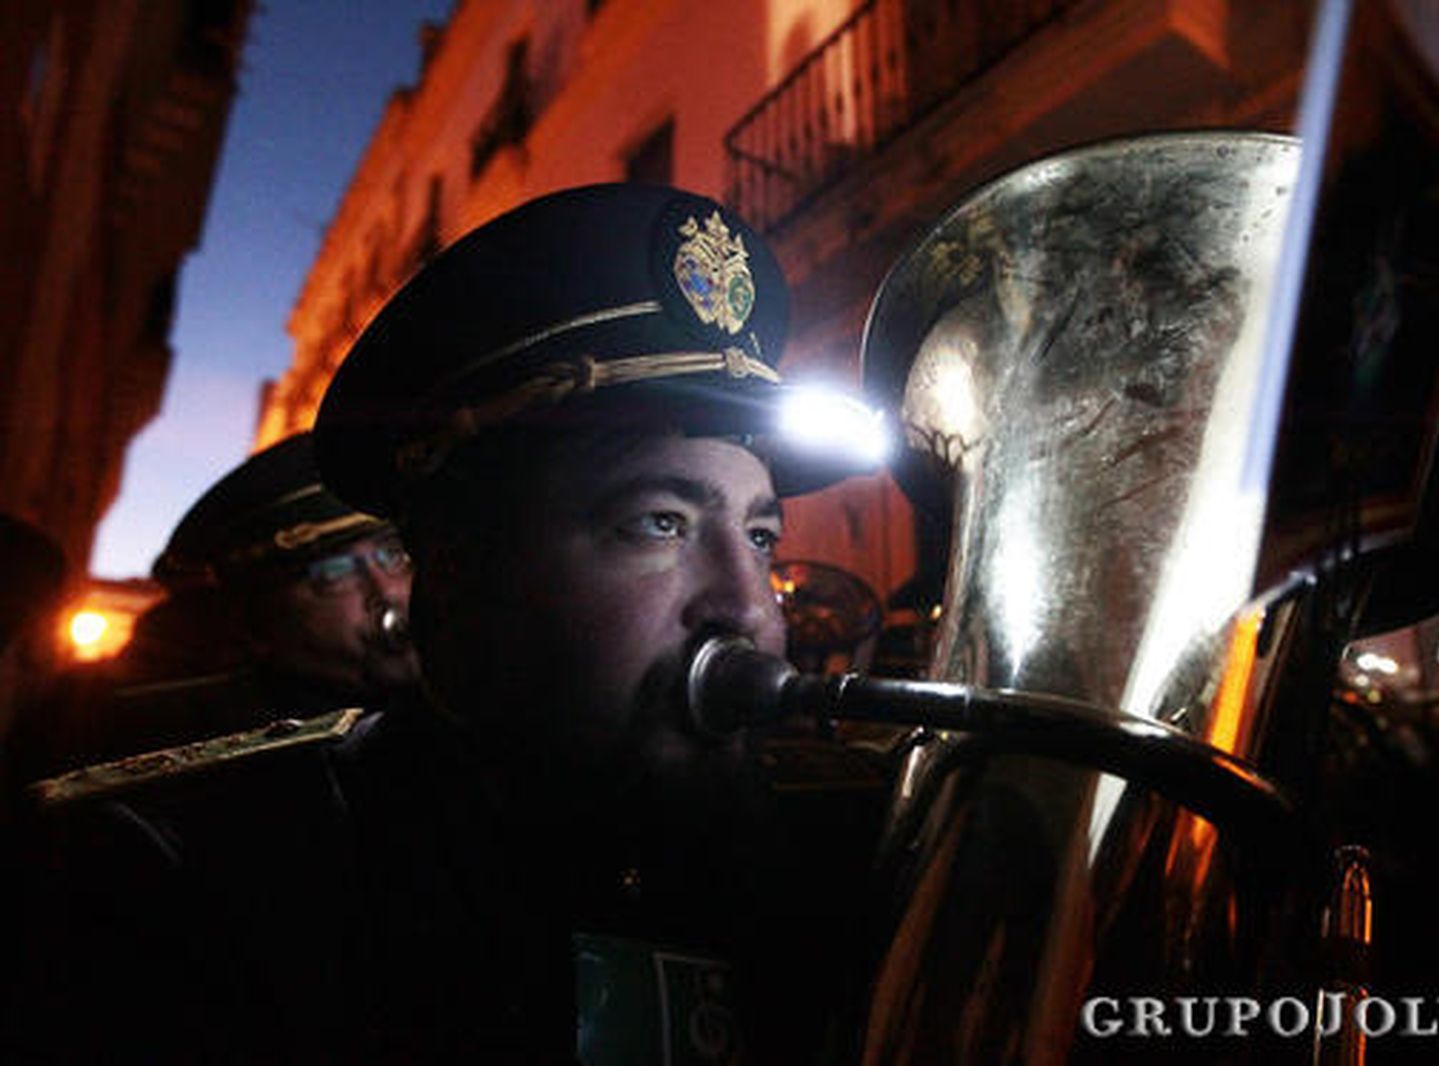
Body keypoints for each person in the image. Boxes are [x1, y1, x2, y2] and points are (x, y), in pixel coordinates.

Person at [8, 185, 888, 1063]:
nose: (746, 606)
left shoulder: (853, 849)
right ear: (461, 568)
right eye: (658, 523)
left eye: (761, 533)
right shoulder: (187, 880)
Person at [9, 432, 422, 780]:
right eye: (333, 574)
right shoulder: (165, 744)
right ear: (259, 618)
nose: (385, 590)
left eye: (391, 555)